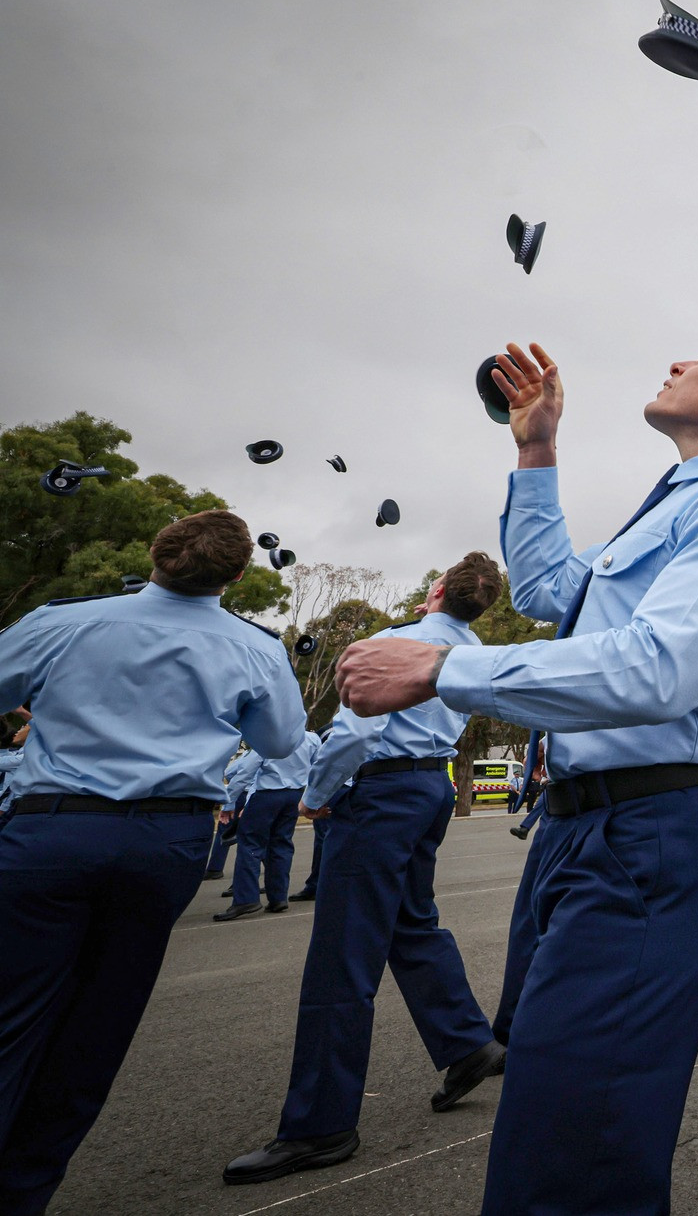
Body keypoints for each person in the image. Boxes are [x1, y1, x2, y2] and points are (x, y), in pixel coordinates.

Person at [332, 339, 698, 1216]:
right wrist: (535, 449)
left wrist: (440, 670)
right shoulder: (669, 508)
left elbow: (655, 670)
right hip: (580, 826)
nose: (677, 360)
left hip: (656, 827)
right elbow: (551, 589)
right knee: (555, 1111)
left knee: (577, 1147)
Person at [0, 510, 307, 1212]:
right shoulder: (255, 646)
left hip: (53, 828)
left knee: (10, 1013)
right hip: (161, 843)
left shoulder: (65, 620)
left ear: (156, 555)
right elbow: (282, 737)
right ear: (234, 576)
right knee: (96, 1029)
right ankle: (25, 1190)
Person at [225, 553, 512, 1184]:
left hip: (381, 790)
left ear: (435, 591)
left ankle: (320, 1124)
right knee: (411, 921)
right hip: (428, 788)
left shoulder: (394, 640)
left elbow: (354, 733)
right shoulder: (472, 650)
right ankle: (467, 1042)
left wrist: (316, 793)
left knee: (342, 954)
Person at [214, 727, 318, 920]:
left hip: (267, 795)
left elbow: (245, 772)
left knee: (250, 844)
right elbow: (318, 766)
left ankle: (246, 899)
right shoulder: (311, 738)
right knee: (281, 845)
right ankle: (278, 897)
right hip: (294, 795)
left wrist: (229, 802)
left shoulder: (269, 737)